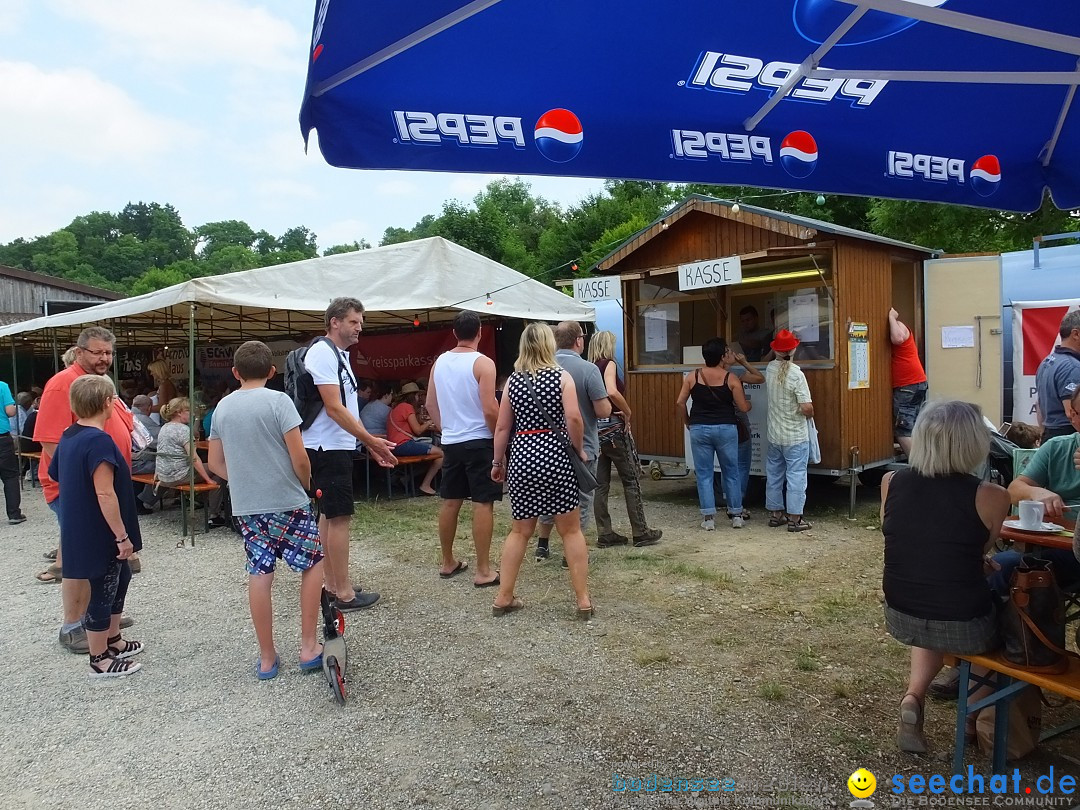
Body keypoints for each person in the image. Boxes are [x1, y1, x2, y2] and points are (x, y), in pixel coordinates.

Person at [881, 400, 1008, 753]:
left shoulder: (891, 482)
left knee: (935, 611)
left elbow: (903, 538)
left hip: (900, 613)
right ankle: (970, 720)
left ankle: (913, 696)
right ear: (974, 443)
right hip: (964, 623)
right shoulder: (992, 495)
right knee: (1009, 634)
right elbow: (980, 548)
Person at [208, 341, 325, 680]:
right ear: (273, 372)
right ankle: (307, 645)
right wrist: (305, 482)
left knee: (260, 574)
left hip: (248, 506)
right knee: (312, 564)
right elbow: (299, 456)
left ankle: (267, 657)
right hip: (288, 500)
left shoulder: (223, 408)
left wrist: (246, 478)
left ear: (235, 372)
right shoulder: (280, 401)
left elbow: (215, 462)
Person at [35, 326, 136, 653]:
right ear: (79, 353)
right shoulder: (63, 383)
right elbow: (52, 442)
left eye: (108, 353)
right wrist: (88, 485)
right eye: (97, 352)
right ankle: (74, 627)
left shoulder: (99, 385)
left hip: (102, 486)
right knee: (82, 559)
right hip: (81, 491)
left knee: (102, 560)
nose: (104, 358)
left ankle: (101, 618)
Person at [490, 322, 593, 619]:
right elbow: (574, 418)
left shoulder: (513, 381)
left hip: (523, 456)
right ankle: (583, 600)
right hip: (557, 457)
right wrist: (579, 449)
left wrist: (498, 462)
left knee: (520, 530)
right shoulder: (562, 376)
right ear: (549, 345)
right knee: (570, 530)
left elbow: (502, 426)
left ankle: (503, 596)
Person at [302, 297, 396, 611]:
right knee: (339, 518)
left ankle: (331, 584)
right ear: (335, 322)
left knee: (330, 516)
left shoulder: (338, 354)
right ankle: (343, 593)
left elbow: (345, 409)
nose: (360, 328)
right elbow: (333, 407)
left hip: (333, 446)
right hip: (325, 448)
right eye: (354, 322)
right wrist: (371, 439)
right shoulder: (323, 352)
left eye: (361, 322)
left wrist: (367, 442)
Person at [50, 374, 144, 678]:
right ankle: (99, 657)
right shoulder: (98, 440)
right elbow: (105, 492)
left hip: (81, 525)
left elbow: (55, 473)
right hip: (100, 529)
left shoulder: (69, 435)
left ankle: (113, 639)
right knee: (104, 587)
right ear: (107, 403)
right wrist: (121, 536)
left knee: (122, 576)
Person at [427, 311, 501, 586]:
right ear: (479, 332)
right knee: (483, 502)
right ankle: (483, 569)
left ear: (455, 333)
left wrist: (447, 430)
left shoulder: (440, 363)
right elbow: (489, 408)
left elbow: (430, 405)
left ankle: (447, 561)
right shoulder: (483, 363)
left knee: (451, 500)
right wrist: (498, 440)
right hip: (480, 440)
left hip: (452, 440)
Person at [534, 322, 611, 560]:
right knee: (582, 499)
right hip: (583, 445)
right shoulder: (588, 370)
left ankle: (543, 544)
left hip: (548, 448)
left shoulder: (540, 369)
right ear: (579, 340)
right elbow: (602, 410)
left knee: (549, 497)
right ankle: (572, 553)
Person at [588, 330, 662, 547]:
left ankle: (605, 532)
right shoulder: (608, 364)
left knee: (600, 484)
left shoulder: (590, 368)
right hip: (614, 429)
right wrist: (627, 411)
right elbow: (612, 391)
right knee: (631, 479)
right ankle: (640, 531)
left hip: (596, 432)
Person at [676, 337, 749, 531]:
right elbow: (742, 406)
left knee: (704, 474)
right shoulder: (731, 378)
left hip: (699, 427)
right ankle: (736, 515)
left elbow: (680, 402)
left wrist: (688, 421)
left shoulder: (692, 376)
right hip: (726, 428)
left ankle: (708, 518)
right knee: (731, 472)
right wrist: (749, 405)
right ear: (721, 357)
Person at [143, 397, 227, 526]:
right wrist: (208, 480)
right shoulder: (183, 430)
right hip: (180, 475)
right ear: (179, 412)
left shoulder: (164, 428)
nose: (192, 413)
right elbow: (194, 458)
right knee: (218, 469)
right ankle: (214, 515)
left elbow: (161, 453)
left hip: (164, 475)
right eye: (189, 410)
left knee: (210, 468)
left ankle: (206, 505)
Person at [764, 329, 815, 533]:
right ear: (794, 348)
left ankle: (776, 515)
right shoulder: (796, 374)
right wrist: (810, 414)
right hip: (795, 435)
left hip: (774, 434)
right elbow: (806, 407)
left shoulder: (769, 368)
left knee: (774, 474)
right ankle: (795, 518)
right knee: (796, 476)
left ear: (775, 350)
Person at [721, 346, 765, 512]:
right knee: (742, 464)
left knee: (727, 465)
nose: (735, 354)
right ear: (723, 357)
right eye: (731, 352)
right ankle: (737, 505)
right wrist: (744, 362)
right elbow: (760, 378)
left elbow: (760, 379)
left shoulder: (711, 375)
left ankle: (729, 500)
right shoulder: (736, 376)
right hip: (739, 423)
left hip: (721, 424)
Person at [387, 382, 443, 496]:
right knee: (441, 453)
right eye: (418, 395)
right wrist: (430, 421)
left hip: (395, 445)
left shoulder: (397, 407)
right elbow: (418, 430)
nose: (420, 398)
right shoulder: (407, 407)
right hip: (403, 445)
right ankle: (425, 485)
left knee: (430, 456)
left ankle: (406, 478)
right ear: (413, 396)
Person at [1035, 309, 1080, 441]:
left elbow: (1039, 407)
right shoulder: (1073, 367)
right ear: (1076, 334)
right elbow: (1072, 414)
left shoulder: (1047, 361)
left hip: (1050, 436)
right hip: (1067, 437)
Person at [889, 307, 928, 455]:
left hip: (907, 385)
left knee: (903, 431)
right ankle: (924, 462)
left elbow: (897, 338)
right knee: (912, 428)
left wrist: (892, 317)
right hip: (916, 383)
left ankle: (919, 468)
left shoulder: (899, 325)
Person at [0, 379, 25, 525]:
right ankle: (14, 514)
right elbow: (10, 411)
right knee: (10, 477)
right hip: (2, 437)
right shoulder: (2, 386)